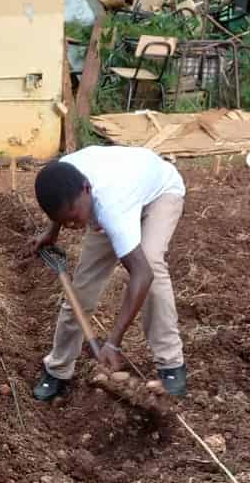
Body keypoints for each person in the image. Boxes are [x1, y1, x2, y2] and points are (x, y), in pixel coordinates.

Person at [27, 145, 188, 401]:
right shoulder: (64, 176)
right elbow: (63, 205)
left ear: (87, 190)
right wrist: (52, 231)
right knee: (81, 290)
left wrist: (112, 343)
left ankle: (171, 364)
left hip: (159, 194)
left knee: (151, 266)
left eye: (73, 217)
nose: (72, 225)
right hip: (116, 196)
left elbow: (141, 275)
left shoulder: (113, 206)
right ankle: (58, 369)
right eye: (65, 221)